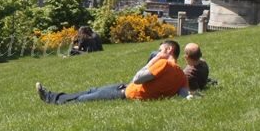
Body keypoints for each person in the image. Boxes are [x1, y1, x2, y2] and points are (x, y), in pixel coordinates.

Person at [37, 39, 189, 105]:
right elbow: (184, 94)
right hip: (123, 87)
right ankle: (53, 95)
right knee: (89, 91)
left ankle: (51, 98)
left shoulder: (162, 63)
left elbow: (137, 79)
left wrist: (152, 61)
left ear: (169, 50)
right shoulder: (182, 75)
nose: (158, 52)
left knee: (83, 99)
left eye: (161, 49)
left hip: (124, 94)